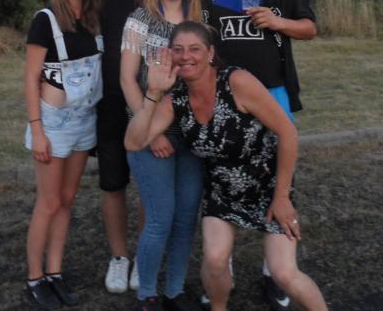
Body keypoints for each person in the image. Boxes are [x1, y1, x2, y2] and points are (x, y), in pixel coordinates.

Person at [125, 21, 328, 311]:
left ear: (210, 53)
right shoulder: (175, 99)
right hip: (222, 192)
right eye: (178, 50)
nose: (186, 56)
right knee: (215, 260)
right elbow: (134, 142)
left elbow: (288, 132)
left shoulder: (237, 82)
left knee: (284, 273)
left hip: (268, 186)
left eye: (194, 49)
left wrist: (282, 196)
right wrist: (154, 93)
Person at [201, 0, 317, 310]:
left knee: (279, 175)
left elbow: (310, 28)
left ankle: (275, 272)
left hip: (272, 90)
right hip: (221, 94)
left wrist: (278, 22)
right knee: (220, 175)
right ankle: (221, 271)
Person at [121, 0, 204, 311]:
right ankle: (147, 294)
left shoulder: (197, 18)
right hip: (148, 129)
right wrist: (151, 132)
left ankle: (174, 290)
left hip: (191, 133)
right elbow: (127, 79)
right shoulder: (141, 20)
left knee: (186, 219)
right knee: (160, 219)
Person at [23, 0, 104, 310]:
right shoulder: (45, 19)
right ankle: (35, 277)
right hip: (54, 122)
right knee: (49, 201)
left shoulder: (93, 18)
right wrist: (37, 130)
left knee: (68, 199)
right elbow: (30, 78)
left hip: (86, 119)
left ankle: (55, 271)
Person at [99, 0, 151, 293]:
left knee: (151, 184)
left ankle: (145, 257)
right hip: (110, 100)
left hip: (153, 100)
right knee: (113, 183)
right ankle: (119, 258)